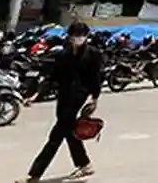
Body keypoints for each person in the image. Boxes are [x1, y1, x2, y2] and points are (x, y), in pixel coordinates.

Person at [18, 21, 103, 183]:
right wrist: (36, 95)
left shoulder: (93, 54)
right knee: (69, 130)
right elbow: (52, 78)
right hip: (63, 96)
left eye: (81, 35)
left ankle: (34, 174)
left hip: (79, 96)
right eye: (75, 35)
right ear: (70, 37)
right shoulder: (63, 55)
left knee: (56, 136)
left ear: (86, 37)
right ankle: (85, 164)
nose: (78, 38)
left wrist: (95, 98)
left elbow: (95, 78)